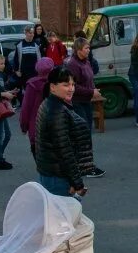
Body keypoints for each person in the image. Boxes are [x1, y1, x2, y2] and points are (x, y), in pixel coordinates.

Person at [35, 67, 94, 200]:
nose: (71, 89)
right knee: (63, 218)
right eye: (66, 85)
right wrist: (77, 183)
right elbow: (64, 151)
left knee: (58, 218)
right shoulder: (56, 111)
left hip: (52, 174)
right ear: (53, 87)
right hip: (58, 178)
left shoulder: (52, 104)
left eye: (73, 84)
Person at [65, 37, 104, 176]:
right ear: (78, 49)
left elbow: (89, 79)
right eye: (86, 48)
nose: (89, 50)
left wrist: (93, 91)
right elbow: (72, 87)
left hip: (86, 101)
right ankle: (84, 167)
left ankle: (84, 165)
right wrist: (90, 91)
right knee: (82, 134)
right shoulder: (73, 65)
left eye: (89, 48)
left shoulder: (86, 61)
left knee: (86, 132)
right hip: (77, 102)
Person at [19, 56, 56, 164]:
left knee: (42, 166)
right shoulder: (57, 84)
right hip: (55, 129)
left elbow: (26, 109)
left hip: (37, 130)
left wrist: (24, 126)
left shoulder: (32, 85)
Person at [11, 26, 42, 93]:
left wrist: (40, 70)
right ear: (25, 33)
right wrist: (17, 71)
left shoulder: (37, 44)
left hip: (34, 72)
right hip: (23, 73)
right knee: (25, 91)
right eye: (30, 33)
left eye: (33, 33)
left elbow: (40, 58)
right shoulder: (20, 44)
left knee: (34, 90)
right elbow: (16, 58)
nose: (32, 35)